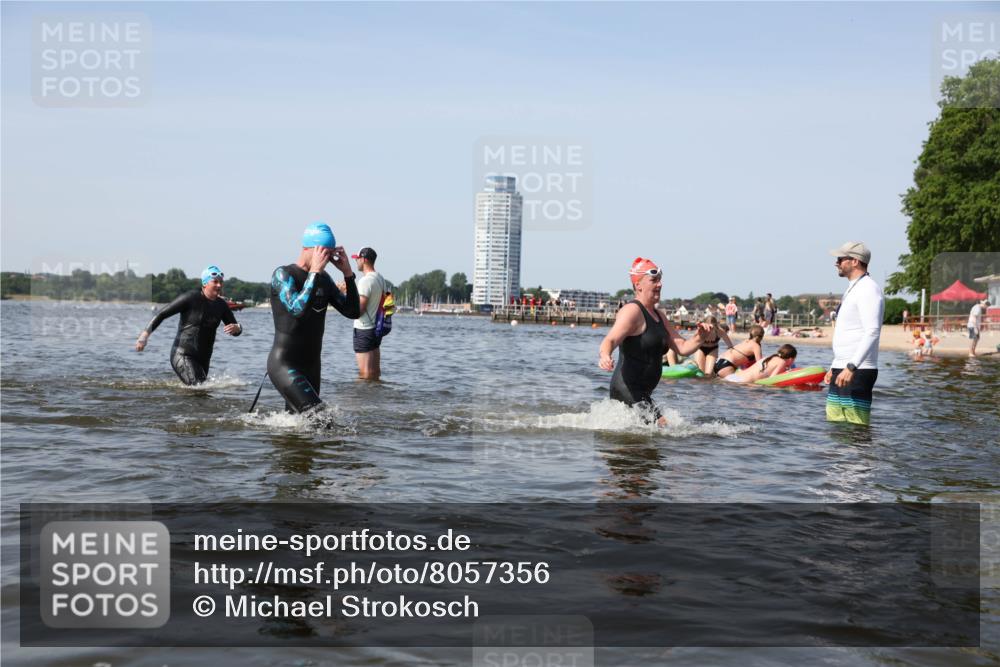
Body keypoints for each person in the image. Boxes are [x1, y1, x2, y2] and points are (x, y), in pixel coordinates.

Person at [599, 257, 709, 425]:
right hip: (627, 388)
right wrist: (605, 355)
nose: (660, 284)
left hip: (643, 392)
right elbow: (611, 339)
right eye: (654, 280)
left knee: (655, 437)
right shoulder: (632, 311)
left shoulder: (660, 316)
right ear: (638, 285)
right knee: (664, 430)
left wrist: (700, 336)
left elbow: (682, 347)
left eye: (660, 280)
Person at [267, 222, 360, 413]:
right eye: (324, 254)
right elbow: (297, 310)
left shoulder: (323, 280)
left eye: (330, 254)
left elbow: (352, 311)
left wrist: (348, 274)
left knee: (300, 426)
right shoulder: (283, 274)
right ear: (309, 249)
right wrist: (315, 271)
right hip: (284, 364)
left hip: (311, 366)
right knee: (320, 417)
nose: (326, 260)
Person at [135, 265, 242, 385]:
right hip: (182, 354)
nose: (219, 285)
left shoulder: (221, 305)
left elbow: (236, 330)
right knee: (198, 389)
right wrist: (144, 336)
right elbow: (161, 314)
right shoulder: (191, 298)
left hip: (204, 359)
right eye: (215, 282)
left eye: (221, 282)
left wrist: (237, 328)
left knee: (201, 391)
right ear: (205, 283)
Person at [824, 242, 884, 426]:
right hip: (842, 367)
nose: (837, 263)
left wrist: (851, 367)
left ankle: (860, 456)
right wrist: (835, 366)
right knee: (836, 426)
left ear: (855, 261)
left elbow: (872, 331)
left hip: (858, 369)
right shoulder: (854, 288)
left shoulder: (868, 289)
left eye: (841, 259)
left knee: (855, 428)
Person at [352, 247, 388, 380]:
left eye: (357, 259)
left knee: (365, 373)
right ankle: (374, 398)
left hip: (364, 329)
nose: (356, 262)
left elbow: (359, 310)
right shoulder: (380, 278)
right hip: (376, 329)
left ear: (364, 259)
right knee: (375, 372)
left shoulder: (365, 281)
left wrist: (344, 296)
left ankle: (364, 398)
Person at [725, 344, 797, 383]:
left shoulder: (769, 357)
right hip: (741, 382)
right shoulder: (782, 362)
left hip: (732, 377)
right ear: (791, 359)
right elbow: (772, 380)